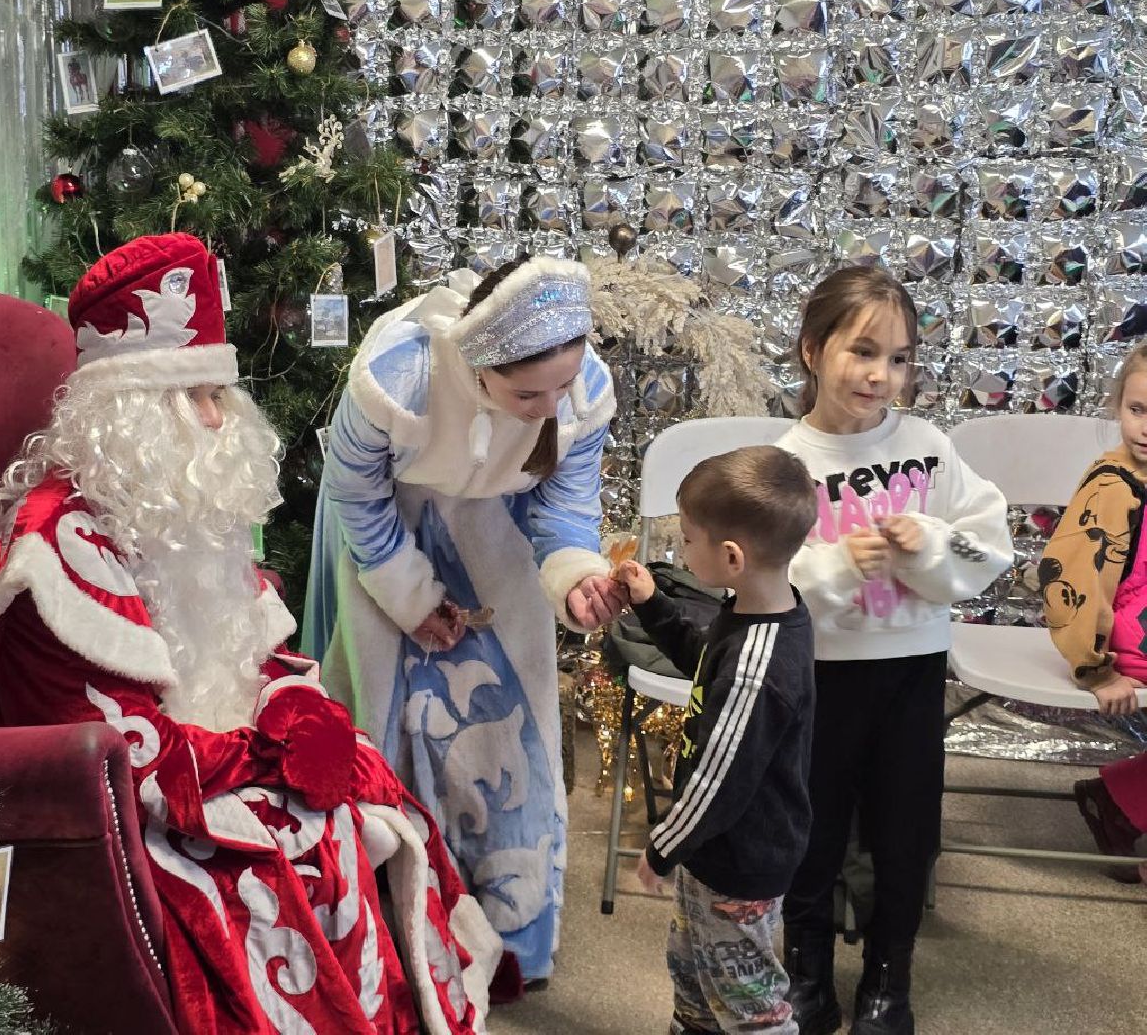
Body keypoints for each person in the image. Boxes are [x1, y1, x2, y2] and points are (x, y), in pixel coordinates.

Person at [0, 233, 501, 1034]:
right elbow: (119, 749)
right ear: (121, 413)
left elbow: (261, 649)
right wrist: (275, 757)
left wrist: (298, 710)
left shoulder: (181, 511)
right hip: (136, 807)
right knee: (287, 862)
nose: (214, 420)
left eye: (219, 394)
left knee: (370, 790)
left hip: (223, 754)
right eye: (191, 395)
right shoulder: (57, 545)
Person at [304, 255, 623, 982]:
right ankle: (388, 930)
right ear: (477, 366)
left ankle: (508, 929)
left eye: (562, 387)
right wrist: (411, 599)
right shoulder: (399, 376)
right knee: (383, 715)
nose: (549, 407)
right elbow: (356, 494)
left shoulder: (582, 392)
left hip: (503, 529)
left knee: (513, 725)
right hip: (386, 530)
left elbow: (566, 506)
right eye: (527, 393)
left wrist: (576, 578)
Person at [774, 266, 1013, 1035]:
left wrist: (931, 542)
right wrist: (840, 565)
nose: (881, 374)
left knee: (904, 830)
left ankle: (888, 975)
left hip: (911, 671)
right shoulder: (785, 462)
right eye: (863, 351)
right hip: (819, 675)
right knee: (811, 827)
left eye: (900, 358)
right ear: (813, 349)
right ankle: (806, 972)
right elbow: (765, 584)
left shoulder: (928, 449)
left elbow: (988, 546)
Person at [616, 446, 818, 1035]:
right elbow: (706, 664)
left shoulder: (759, 665)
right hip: (714, 852)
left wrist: (663, 846)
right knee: (695, 974)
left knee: (749, 1005)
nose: (680, 551)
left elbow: (717, 780)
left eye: (686, 539)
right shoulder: (754, 612)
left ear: (731, 556)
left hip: (736, 861)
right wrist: (654, 606)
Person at [1038, 341, 1147, 885]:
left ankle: (1120, 797)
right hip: (1125, 640)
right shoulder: (1113, 485)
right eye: (1137, 409)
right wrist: (1096, 669)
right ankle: (1120, 800)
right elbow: (1074, 582)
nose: (1146, 428)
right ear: (1118, 405)